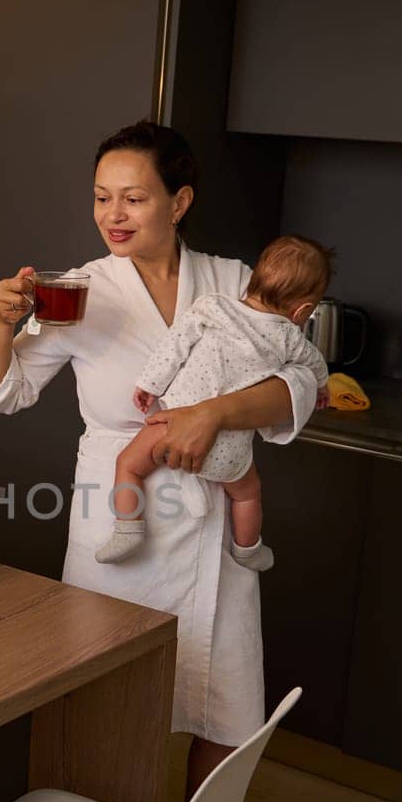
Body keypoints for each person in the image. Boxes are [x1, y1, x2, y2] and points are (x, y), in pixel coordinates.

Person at [0, 119, 317, 802]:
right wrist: (2, 323)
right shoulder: (79, 288)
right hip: (119, 526)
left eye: (134, 198)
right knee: (105, 704)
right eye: (102, 198)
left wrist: (213, 414)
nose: (113, 216)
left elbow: (303, 385)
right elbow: (0, 392)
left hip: (211, 525)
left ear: (179, 202)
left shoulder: (234, 282)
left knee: (227, 706)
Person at [95, 235, 333, 569]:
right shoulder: (291, 338)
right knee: (248, 493)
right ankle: (248, 548)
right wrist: (323, 388)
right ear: (303, 310)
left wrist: (149, 384)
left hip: (170, 426)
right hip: (231, 450)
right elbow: (315, 368)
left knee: (128, 465)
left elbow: (173, 348)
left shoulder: (214, 306)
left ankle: (128, 527)